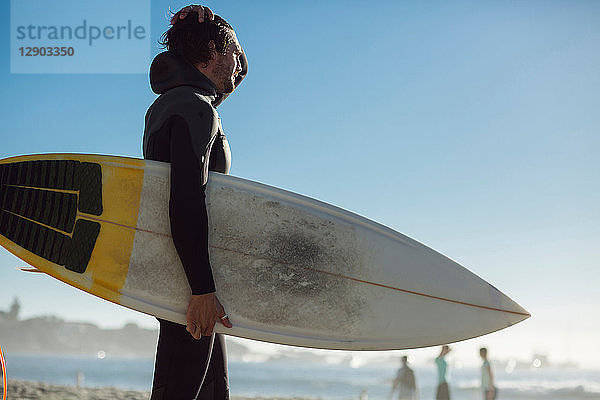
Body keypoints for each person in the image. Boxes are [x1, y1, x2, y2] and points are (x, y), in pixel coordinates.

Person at [143, 5, 248, 399]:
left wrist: (201, 28)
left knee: (213, 393)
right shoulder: (194, 108)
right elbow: (186, 199)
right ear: (213, 51)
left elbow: (235, 75)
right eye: (235, 52)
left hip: (181, 273)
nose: (240, 64)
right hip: (188, 281)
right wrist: (201, 291)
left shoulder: (175, 102)